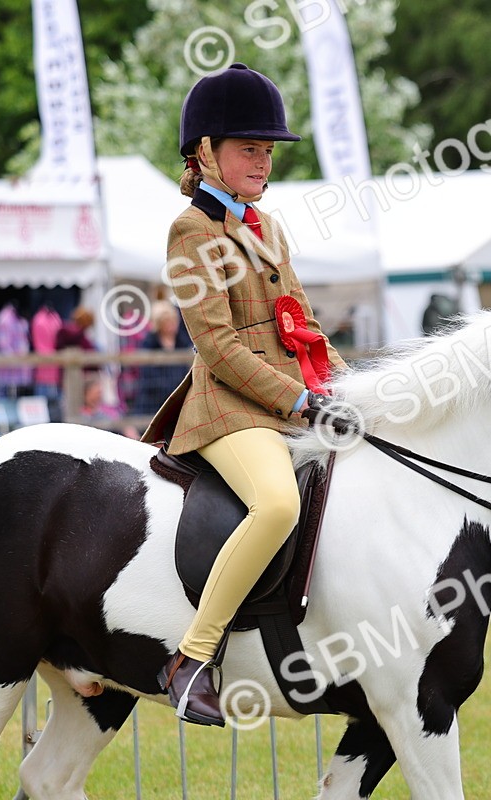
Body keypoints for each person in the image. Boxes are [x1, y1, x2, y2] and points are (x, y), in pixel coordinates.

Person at [140, 63, 347, 726]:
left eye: (267, 150)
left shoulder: (268, 227)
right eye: (248, 149)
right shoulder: (192, 232)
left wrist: (354, 389)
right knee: (279, 503)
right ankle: (192, 659)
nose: (262, 162)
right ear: (206, 154)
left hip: (288, 396)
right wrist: (301, 403)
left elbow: (302, 326)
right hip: (230, 407)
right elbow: (220, 350)